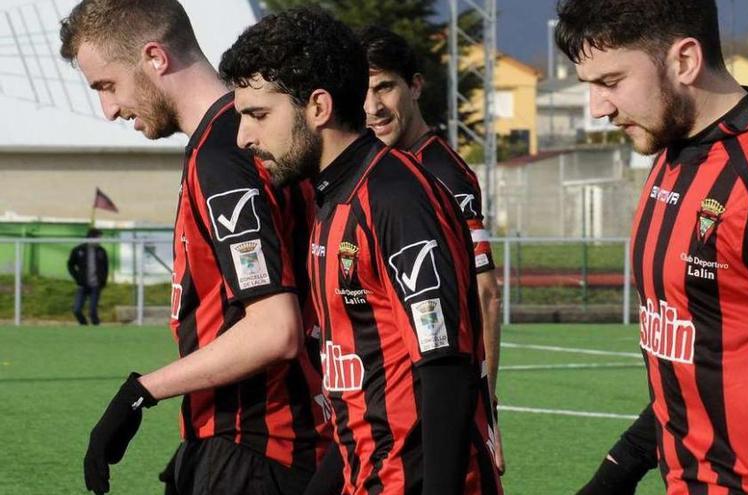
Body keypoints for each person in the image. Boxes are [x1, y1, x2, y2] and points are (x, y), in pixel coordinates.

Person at [553, 1, 748, 494]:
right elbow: (693, 363)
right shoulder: (671, 155)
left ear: (684, 60)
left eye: (611, 82)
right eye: (589, 86)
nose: (598, 108)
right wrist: (613, 476)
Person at [219, 7, 502, 495]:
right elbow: (362, 405)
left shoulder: (396, 197)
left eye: (258, 115)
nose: (245, 137)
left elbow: (445, 369)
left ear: (319, 108)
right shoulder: (333, 198)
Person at [59, 1, 328, 493]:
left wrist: (141, 392)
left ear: (155, 57)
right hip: (253, 438)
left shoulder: (224, 156)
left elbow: (275, 329)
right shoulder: (248, 139)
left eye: (107, 86)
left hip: (259, 443)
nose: (109, 109)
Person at [358, 25, 506, 474]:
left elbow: (485, 294)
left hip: (432, 401)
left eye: (385, 87)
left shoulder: (444, 174)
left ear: (415, 86)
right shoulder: (382, 170)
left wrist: (485, 409)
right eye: (363, 92)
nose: (373, 107)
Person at [67, 227, 109, 325]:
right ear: (92, 238)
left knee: (92, 311)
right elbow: (70, 265)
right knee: (77, 310)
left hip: (95, 285)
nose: (100, 240)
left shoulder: (101, 251)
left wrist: (102, 281)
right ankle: (84, 325)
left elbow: (105, 268)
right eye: (99, 238)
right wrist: (77, 278)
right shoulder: (78, 250)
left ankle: (96, 329)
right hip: (82, 285)